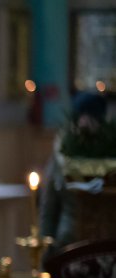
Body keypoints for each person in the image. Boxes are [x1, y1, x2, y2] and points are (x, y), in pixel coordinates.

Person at [40, 92, 109, 259]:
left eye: (91, 118)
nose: (85, 124)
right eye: (82, 117)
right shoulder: (62, 157)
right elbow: (49, 208)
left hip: (105, 245)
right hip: (68, 244)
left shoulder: (110, 157)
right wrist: (45, 248)